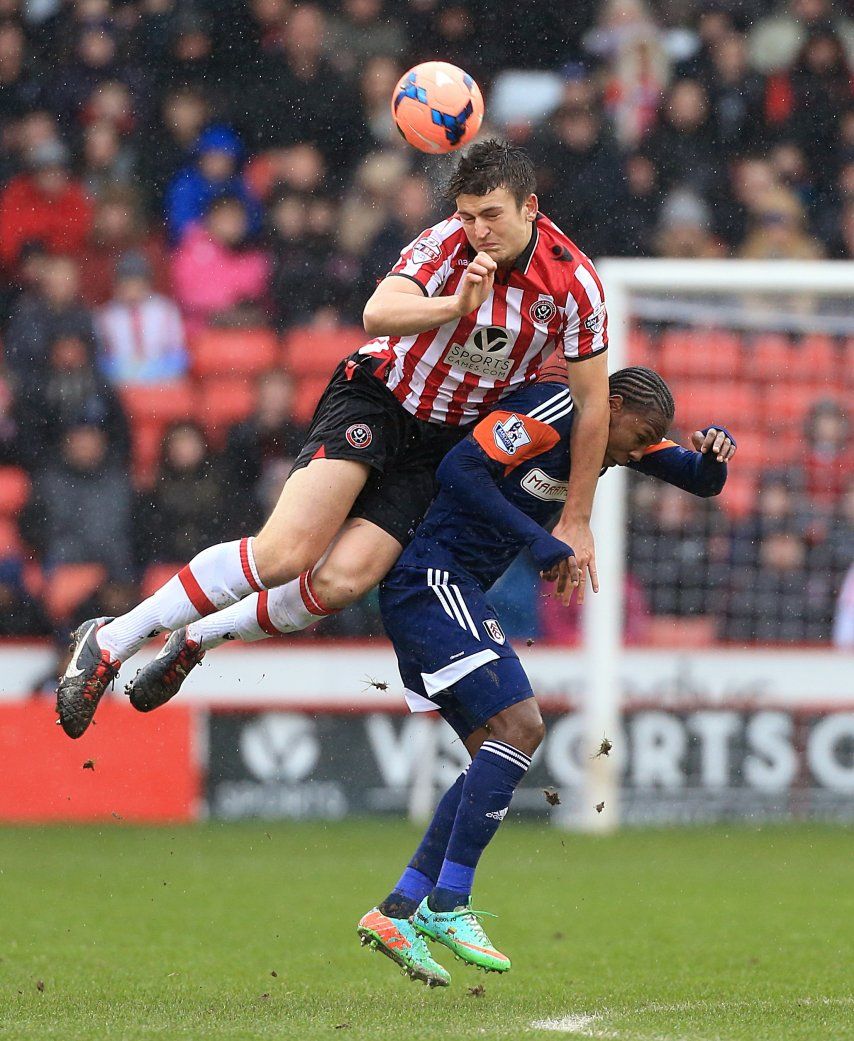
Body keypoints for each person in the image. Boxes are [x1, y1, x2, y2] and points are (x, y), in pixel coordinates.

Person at [56, 139, 611, 739]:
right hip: (380, 398)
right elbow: (378, 312)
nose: (478, 230)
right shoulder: (448, 243)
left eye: (492, 215)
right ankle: (111, 640)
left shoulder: (575, 283)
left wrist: (577, 518)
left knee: (342, 581)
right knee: (284, 555)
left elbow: (592, 404)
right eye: (468, 215)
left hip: (441, 445)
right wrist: (454, 305)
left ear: (530, 207)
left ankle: (196, 639)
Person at [354, 366, 736, 985]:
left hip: (453, 589)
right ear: (612, 404)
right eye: (639, 437)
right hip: (433, 580)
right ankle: (449, 903)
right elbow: (459, 469)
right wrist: (542, 539)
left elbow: (699, 479)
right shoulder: (555, 409)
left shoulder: (611, 438)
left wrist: (715, 455)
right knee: (524, 727)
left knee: (492, 754)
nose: (638, 452)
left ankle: (398, 910)